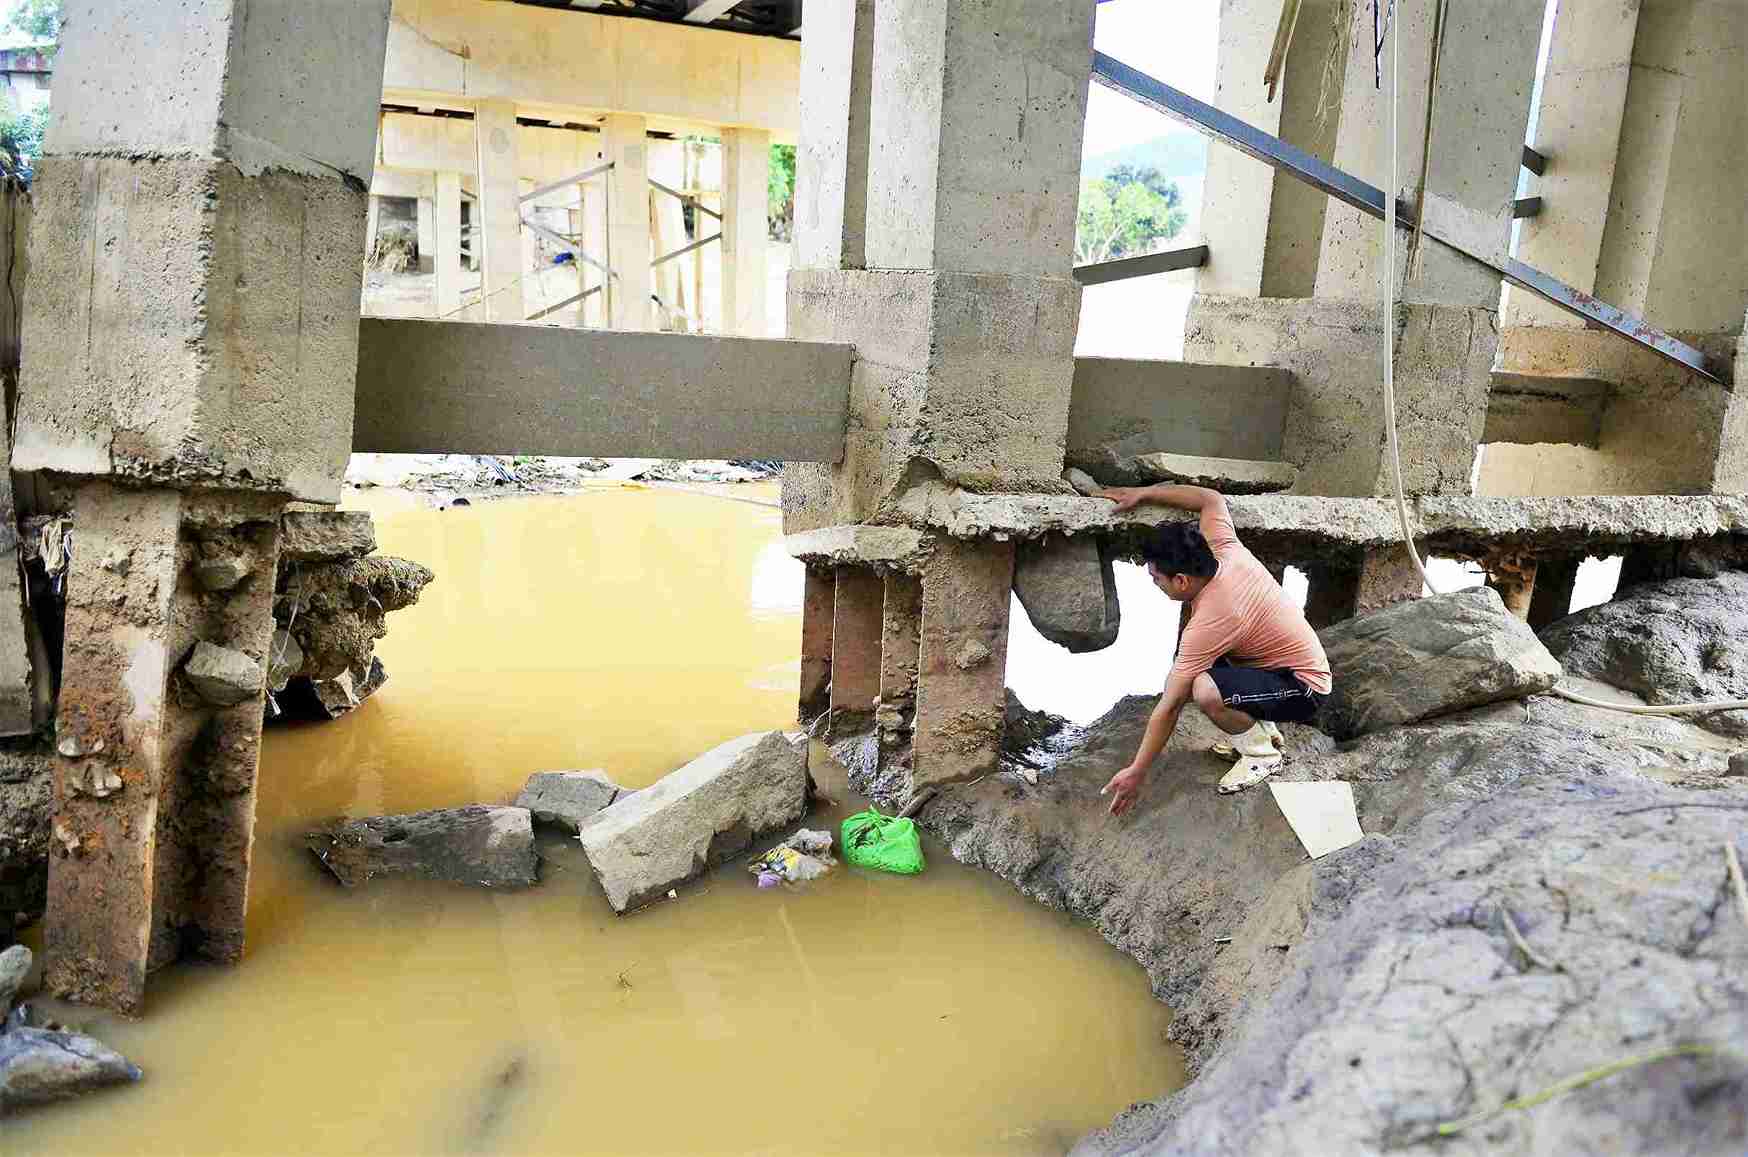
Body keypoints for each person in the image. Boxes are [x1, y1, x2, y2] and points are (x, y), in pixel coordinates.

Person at [1094, 484, 1331, 816]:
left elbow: (1170, 706)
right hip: (1274, 667)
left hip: (1304, 688)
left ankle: (1262, 755)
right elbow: (1210, 500)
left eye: (1156, 578)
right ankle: (1259, 729)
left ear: (1181, 581)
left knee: (1204, 689)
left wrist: (1137, 771)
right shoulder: (1222, 547)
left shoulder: (1214, 618)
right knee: (1197, 666)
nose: (1154, 584)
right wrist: (1144, 494)